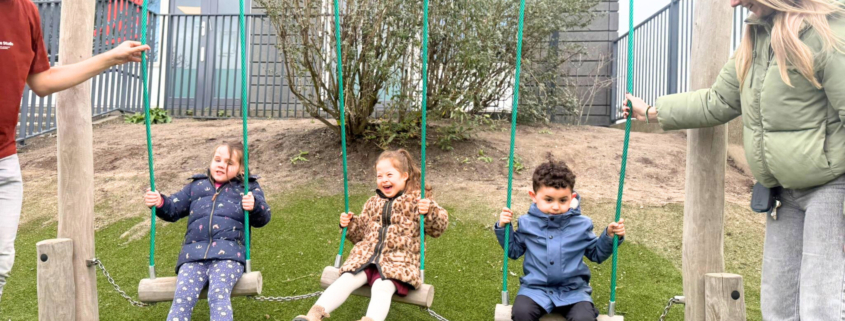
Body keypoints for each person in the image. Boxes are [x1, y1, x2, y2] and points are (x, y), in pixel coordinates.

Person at [623, 0, 845, 318]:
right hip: (783, 195)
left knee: (821, 306)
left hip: (831, 189)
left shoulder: (831, 30)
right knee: (778, 307)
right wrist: (653, 112)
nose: (734, 3)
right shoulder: (757, 37)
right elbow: (719, 100)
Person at [0, 0, 150, 302]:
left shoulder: (27, 10)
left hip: (5, 163)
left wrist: (111, 57)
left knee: (1, 265)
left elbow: (42, 79)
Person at [295, 149, 449, 321]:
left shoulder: (418, 202)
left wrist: (429, 212)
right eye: (380, 175)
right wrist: (350, 224)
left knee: (382, 287)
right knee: (346, 279)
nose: (384, 180)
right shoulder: (373, 202)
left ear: (404, 176)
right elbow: (361, 234)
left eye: (390, 174)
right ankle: (313, 316)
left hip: (399, 262)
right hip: (366, 258)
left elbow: (438, 228)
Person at [144, 142, 271, 321]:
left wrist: (254, 206)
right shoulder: (196, 186)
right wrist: (160, 202)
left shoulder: (248, 188)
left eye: (229, 163)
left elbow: (264, 218)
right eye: (217, 159)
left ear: (242, 169)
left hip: (229, 256)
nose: (220, 165)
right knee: (181, 299)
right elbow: (173, 209)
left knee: (218, 296)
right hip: (193, 257)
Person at [495, 158, 625, 321]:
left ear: (572, 197)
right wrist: (502, 227)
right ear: (534, 196)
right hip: (535, 290)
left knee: (583, 318)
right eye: (549, 200)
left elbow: (596, 254)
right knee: (522, 313)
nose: (556, 206)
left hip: (574, 292)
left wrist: (610, 236)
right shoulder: (527, 223)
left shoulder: (582, 224)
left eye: (563, 200)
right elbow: (513, 252)